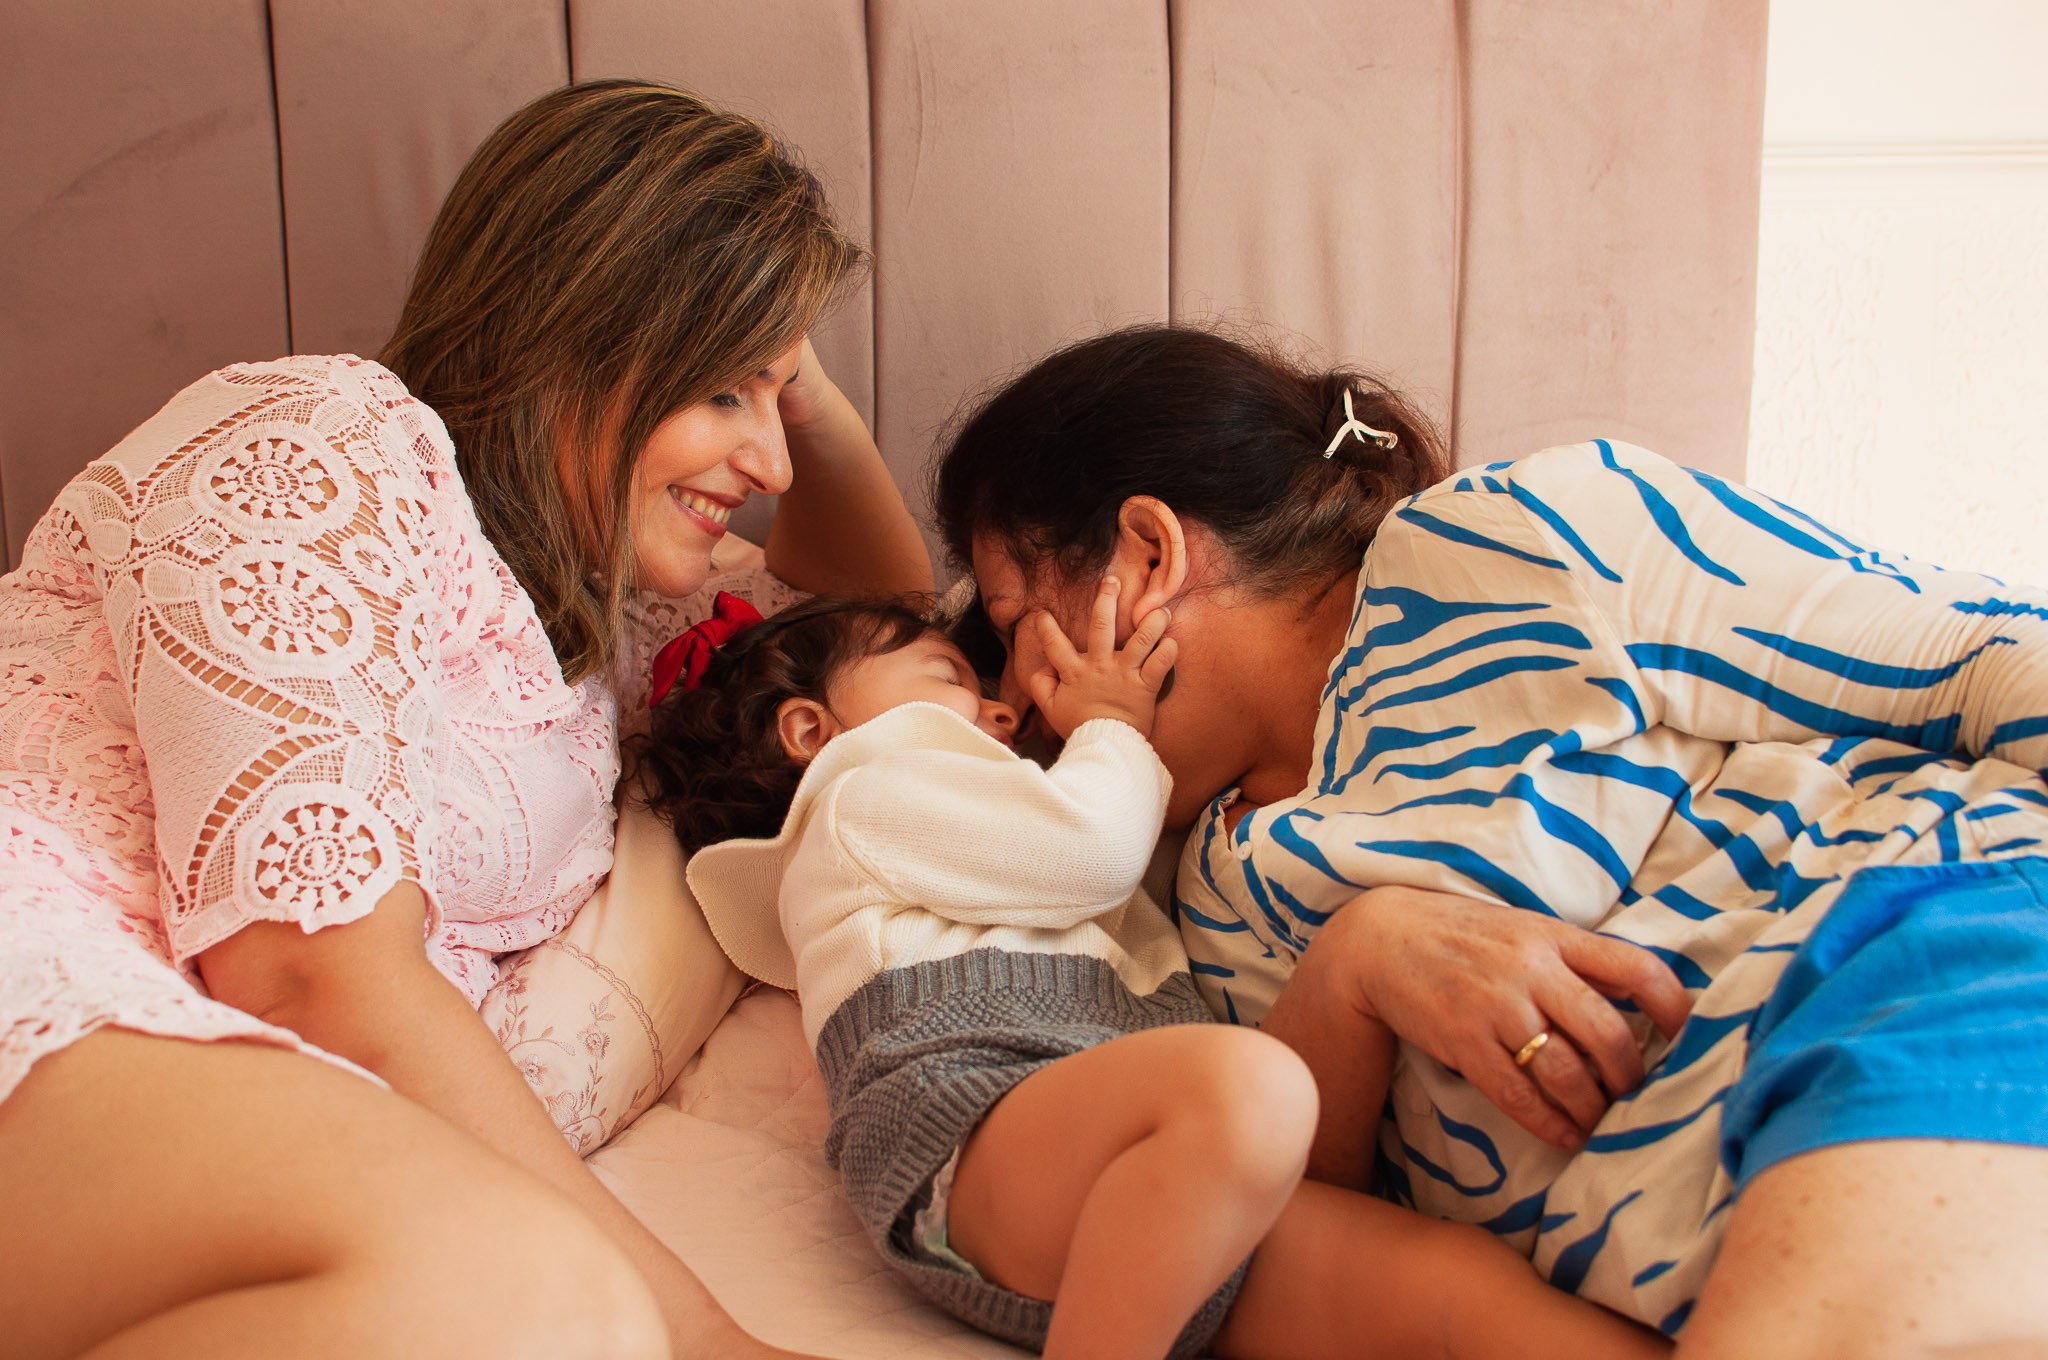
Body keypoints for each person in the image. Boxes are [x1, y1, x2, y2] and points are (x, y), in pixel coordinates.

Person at [0, 80, 929, 1360]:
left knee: (564, 1317)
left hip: (216, 1083)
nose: (769, 462)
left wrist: (793, 377)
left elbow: (876, 620)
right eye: (724, 392)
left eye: (777, 400)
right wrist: (718, 1342)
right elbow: (308, 964)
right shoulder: (325, 440)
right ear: (581, 333)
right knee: (552, 1305)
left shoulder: (611, 621)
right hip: (48, 961)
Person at [931, 322, 2048, 1358]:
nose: (1015, 700)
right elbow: (1318, 1245)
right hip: (1687, 1237)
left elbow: (1983, 656)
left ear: (1146, 554)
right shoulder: (1198, 897)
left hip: (1907, 959)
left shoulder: (1502, 540)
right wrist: (1360, 961)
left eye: (1012, 619)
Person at [640, 587, 1668, 1360]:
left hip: (1158, 1198)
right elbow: (1093, 848)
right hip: (979, 1136)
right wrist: (1111, 726)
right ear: (811, 732)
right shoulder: (860, 801)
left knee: (1460, 1288)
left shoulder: (966, 822)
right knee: (1253, 1087)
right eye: (951, 678)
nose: (1000, 712)